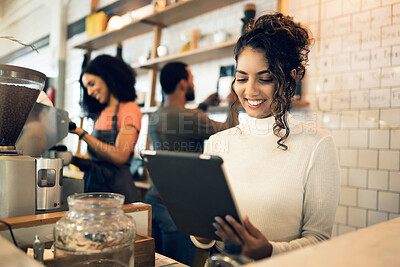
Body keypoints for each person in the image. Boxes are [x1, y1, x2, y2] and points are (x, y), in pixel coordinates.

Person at [192, 13, 340, 261]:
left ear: (290, 77)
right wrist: (203, 234)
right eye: (241, 78)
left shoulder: (317, 145)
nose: (249, 90)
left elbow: (319, 240)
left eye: (265, 79)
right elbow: (202, 236)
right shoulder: (218, 142)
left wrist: (269, 251)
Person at [144, 61, 239, 265]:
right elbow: (231, 130)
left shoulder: (157, 115)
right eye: (191, 79)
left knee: (157, 263)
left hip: (154, 202)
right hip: (179, 212)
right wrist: (234, 103)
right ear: (182, 83)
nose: (193, 83)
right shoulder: (192, 117)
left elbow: (181, 122)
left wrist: (203, 106)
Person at [69, 55, 141, 204]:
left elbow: (119, 156)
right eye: (86, 87)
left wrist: (81, 133)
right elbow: (98, 163)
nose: (89, 92)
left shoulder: (129, 109)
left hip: (117, 193)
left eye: (92, 84)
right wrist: (71, 159)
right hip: (93, 190)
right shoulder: (101, 113)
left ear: (107, 77)